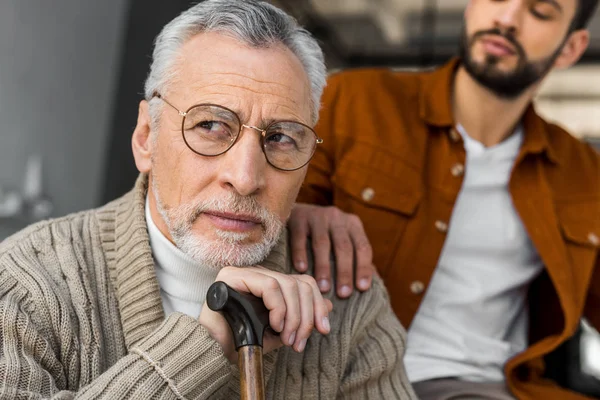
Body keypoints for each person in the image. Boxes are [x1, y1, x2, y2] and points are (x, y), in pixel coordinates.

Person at [0, 1, 418, 398]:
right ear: (147, 138)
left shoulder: (345, 298)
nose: (244, 178)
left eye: (280, 138)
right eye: (211, 125)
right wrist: (205, 344)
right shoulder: (26, 283)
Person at [290, 0, 600, 399]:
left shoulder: (581, 171)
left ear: (571, 48)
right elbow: (257, 220)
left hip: (502, 388)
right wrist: (300, 211)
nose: (507, 19)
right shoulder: (352, 102)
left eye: (539, 11)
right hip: (353, 379)